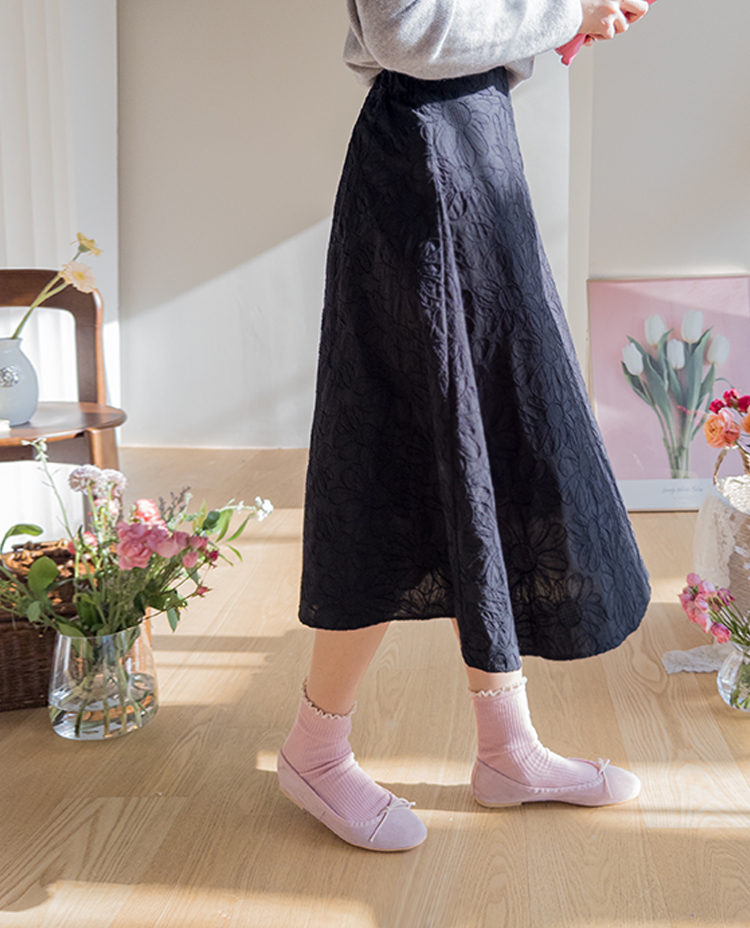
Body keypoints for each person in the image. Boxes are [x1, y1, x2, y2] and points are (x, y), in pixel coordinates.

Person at [277, 0, 652, 852]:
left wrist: (565, 19)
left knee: (478, 449)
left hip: (468, 144)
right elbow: (403, 30)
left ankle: (507, 746)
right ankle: (314, 748)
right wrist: (570, 9)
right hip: (423, 169)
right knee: (401, 460)